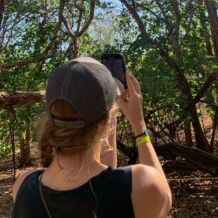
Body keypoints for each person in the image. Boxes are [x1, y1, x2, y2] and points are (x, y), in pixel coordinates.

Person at [12, 57, 172, 218]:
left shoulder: (22, 187)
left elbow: (102, 176)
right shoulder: (142, 184)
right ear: (108, 118)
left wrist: (109, 116)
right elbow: (164, 200)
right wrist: (139, 124)